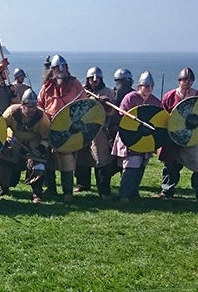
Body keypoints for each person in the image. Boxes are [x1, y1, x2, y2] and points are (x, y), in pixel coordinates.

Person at [36, 54, 84, 203]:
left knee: (66, 159)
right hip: (50, 126)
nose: (61, 70)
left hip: (68, 127)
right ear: (53, 69)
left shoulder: (74, 84)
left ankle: (68, 191)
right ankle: (51, 189)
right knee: (49, 159)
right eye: (57, 67)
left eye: (63, 67)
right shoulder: (47, 86)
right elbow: (39, 104)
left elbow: (84, 104)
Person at [157, 67, 198, 203]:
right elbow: (162, 117)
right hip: (172, 136)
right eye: (184, 80)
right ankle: (167, 190)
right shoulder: (169, 97)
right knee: (170, 164)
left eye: (189, 80)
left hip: (193, 136)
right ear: (179, 81)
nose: (186, 82)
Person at [111, 72, 162, 203]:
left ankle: (133, 192)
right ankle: (124, 194)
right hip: (129, 136)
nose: (148, 88)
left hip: (145, 138)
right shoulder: (130, 98)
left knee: (140, 166)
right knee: (131, 165)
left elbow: (159, 120)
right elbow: (123, 119)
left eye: (150, 86)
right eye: (145, 86)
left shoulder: (155, 101)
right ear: (139, 86)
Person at [0, 89, 50, 203]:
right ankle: (4, 187)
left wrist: (39, 149)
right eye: (29, 107)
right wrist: (4, 144)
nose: (32, 110)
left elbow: (47, 137)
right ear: (23, 105)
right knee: (3, 159)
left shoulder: (41, 117)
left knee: (37, 165)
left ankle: (37, 192)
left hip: (33, 143)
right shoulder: (11, 112)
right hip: (14, 142)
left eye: (34, 106)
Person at [75, 66, 114, 199]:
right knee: (81, 158)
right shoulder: (82, 91)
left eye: (97, 78)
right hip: (82, 129)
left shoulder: (108, 92)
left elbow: (112, 111)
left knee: (101, 160)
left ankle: (104, 191)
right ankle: (82, 184)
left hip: (99, 130)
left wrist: (104, 103)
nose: (94, 81)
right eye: (92, 78)